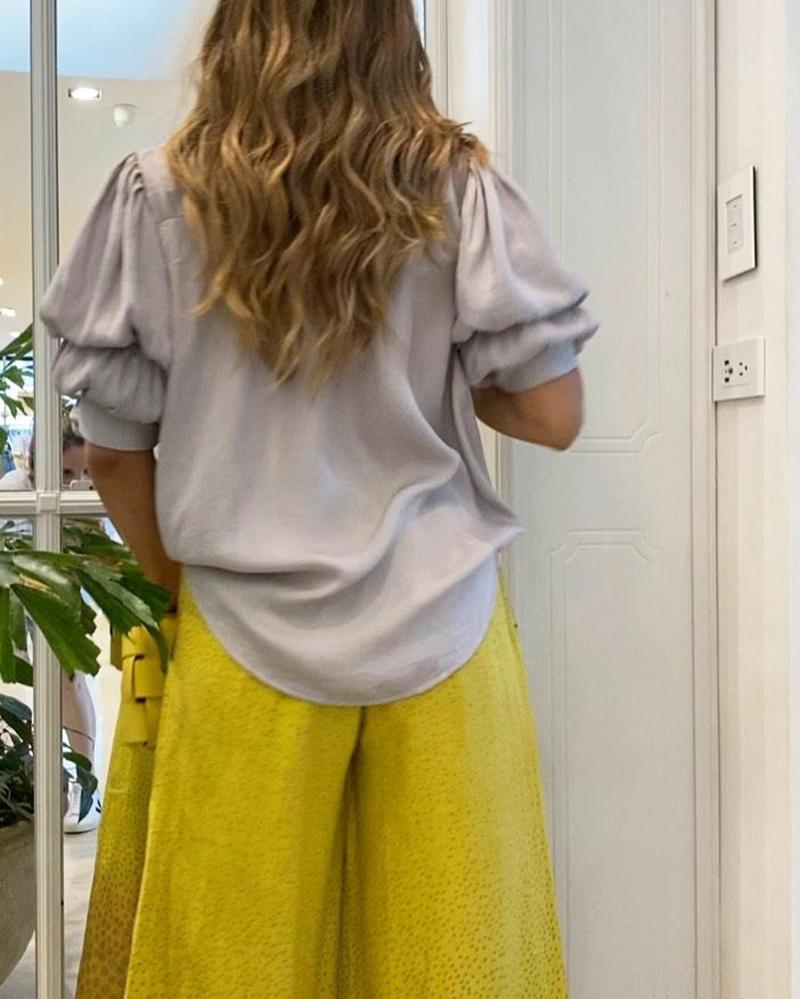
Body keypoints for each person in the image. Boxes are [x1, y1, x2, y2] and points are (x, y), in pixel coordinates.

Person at [40, 1, 598, 994]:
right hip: (440, 629)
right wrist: (439, 368)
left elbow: (117, 455)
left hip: (242, 635)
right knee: (452, 960)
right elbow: (553, 414)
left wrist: (182, 588)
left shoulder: (157, 195)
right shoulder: (458, 191)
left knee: (230, 963)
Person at [0, 428, 101, 832]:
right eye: (64, 473)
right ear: (33, 464)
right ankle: (30, 776)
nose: (74, 483)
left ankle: (85, 785)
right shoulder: (12, 492)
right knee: (25, 681)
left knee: (67, 679)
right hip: (17, 596)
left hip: (64, 596)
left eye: (84, 472)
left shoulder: (91, 498)